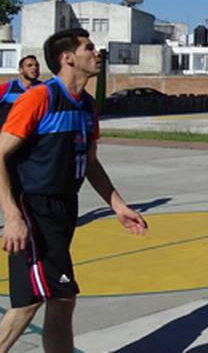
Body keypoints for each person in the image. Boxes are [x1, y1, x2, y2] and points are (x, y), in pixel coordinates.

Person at [0, 29, 148, 352]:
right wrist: (12, 216)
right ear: (68, 58)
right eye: (88, 48)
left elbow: (91, 163)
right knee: (32, 302)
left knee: (62, 300)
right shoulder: (40, 97)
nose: (97, 53)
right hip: (34, 210)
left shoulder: (87, 106)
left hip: (65, 209)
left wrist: (118, 206)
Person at [0, 55, 42, 127]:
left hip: (34, 135)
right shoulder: (7, 88)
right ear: (20, 70)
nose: (34, 68)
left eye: (37, 65)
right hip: (8, 135)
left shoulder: (45, 89)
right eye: (29, 65)